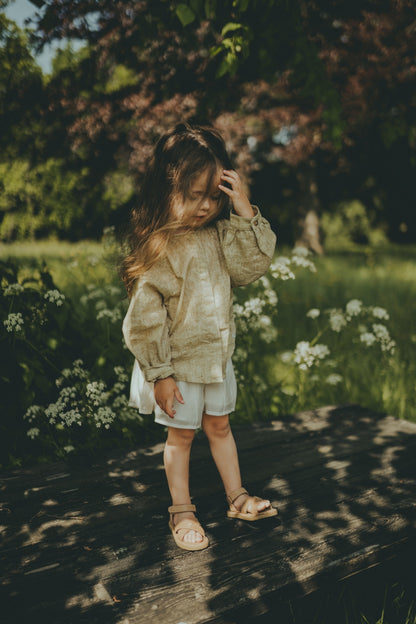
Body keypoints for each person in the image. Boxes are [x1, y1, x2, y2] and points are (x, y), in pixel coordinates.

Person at [122, 122, 278, 551]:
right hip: (177, 365)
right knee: (182, 436)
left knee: (220, 426)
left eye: (215, 195)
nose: (206, 206)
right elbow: (145, 318)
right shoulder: (162, 246)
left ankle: (236, 495)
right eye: (195, 196)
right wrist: (159, 372)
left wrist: (244, 208)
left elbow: (252, 267)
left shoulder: (222, 235)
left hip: (215, 358)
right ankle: (181, 509)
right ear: (166, 190)